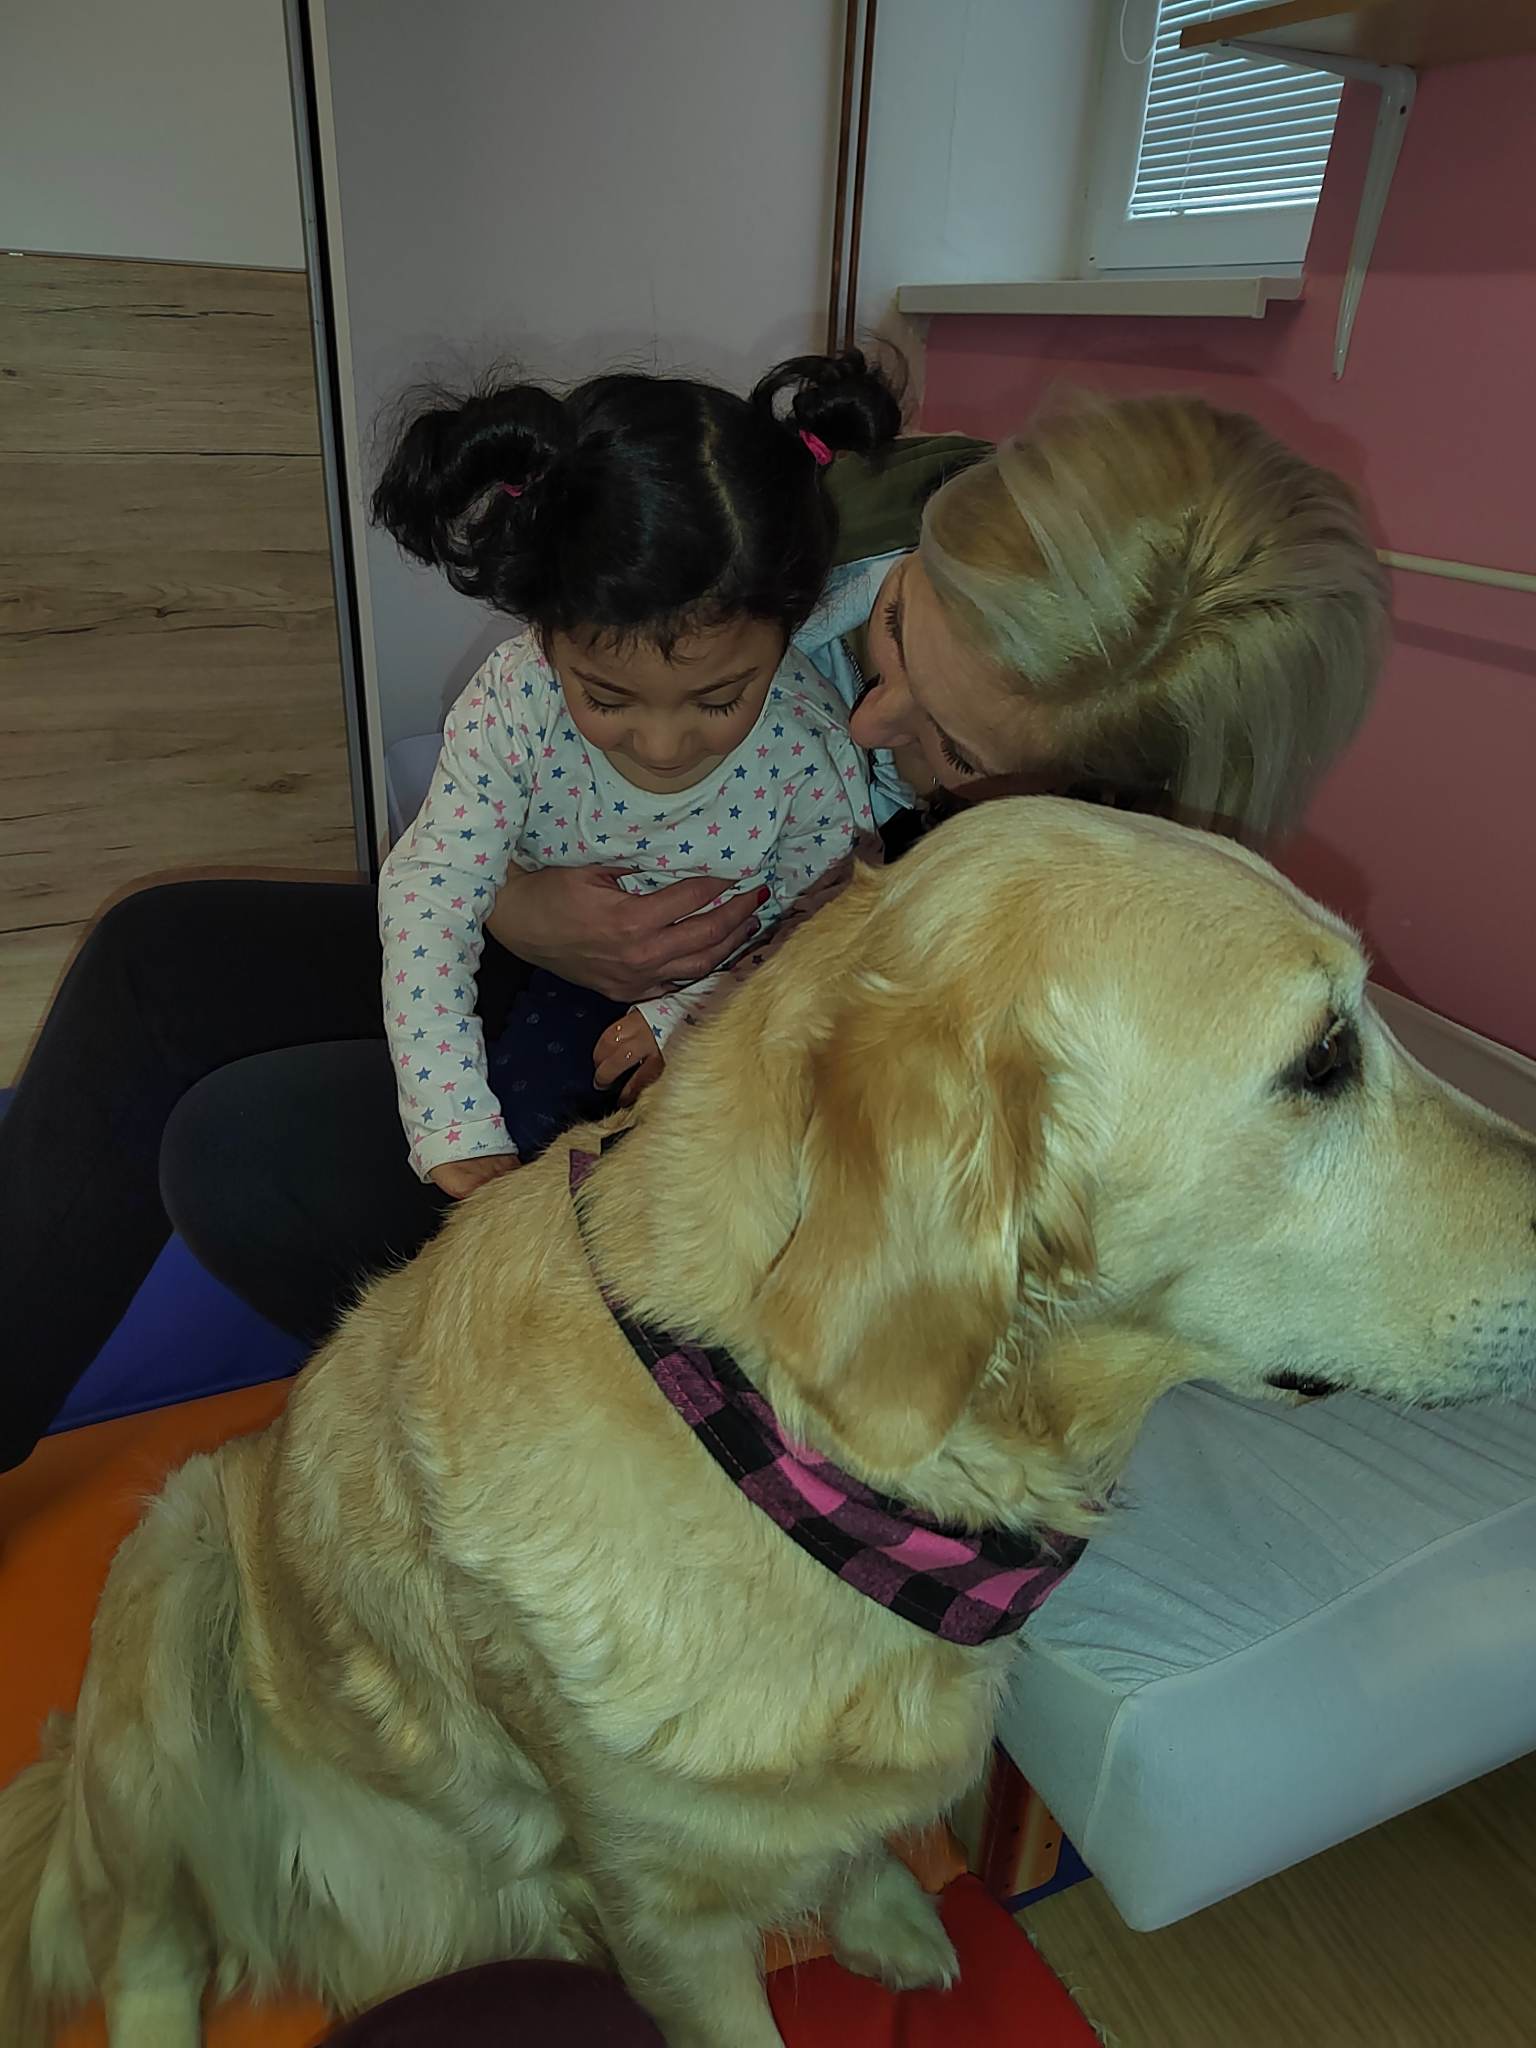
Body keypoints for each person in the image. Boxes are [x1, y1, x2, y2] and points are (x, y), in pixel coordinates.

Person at [0, 387, 1386, 1472]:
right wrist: (518, 903)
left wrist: (686, 1021)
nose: (866, 727)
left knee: (242, 1151)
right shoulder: (844, 510)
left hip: (699, 1073)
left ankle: (502, 1454)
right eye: (895, 633)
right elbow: (484, 814)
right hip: (565, 939)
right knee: (158, 957)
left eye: (956, 754)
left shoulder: (1108, 903)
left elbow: (874, 1142)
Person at [368, 361, 901, 1191]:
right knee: (522, 1143)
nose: (661, 746)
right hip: (542, 974)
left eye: (719, 699)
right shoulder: (516, 700)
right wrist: (453, 1126)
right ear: (544, 633)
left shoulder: (807, 742)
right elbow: (430, 896)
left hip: (733, 1000)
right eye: (608, 698)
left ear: (792, 626)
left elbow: (823, 928)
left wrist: (687, 1016)